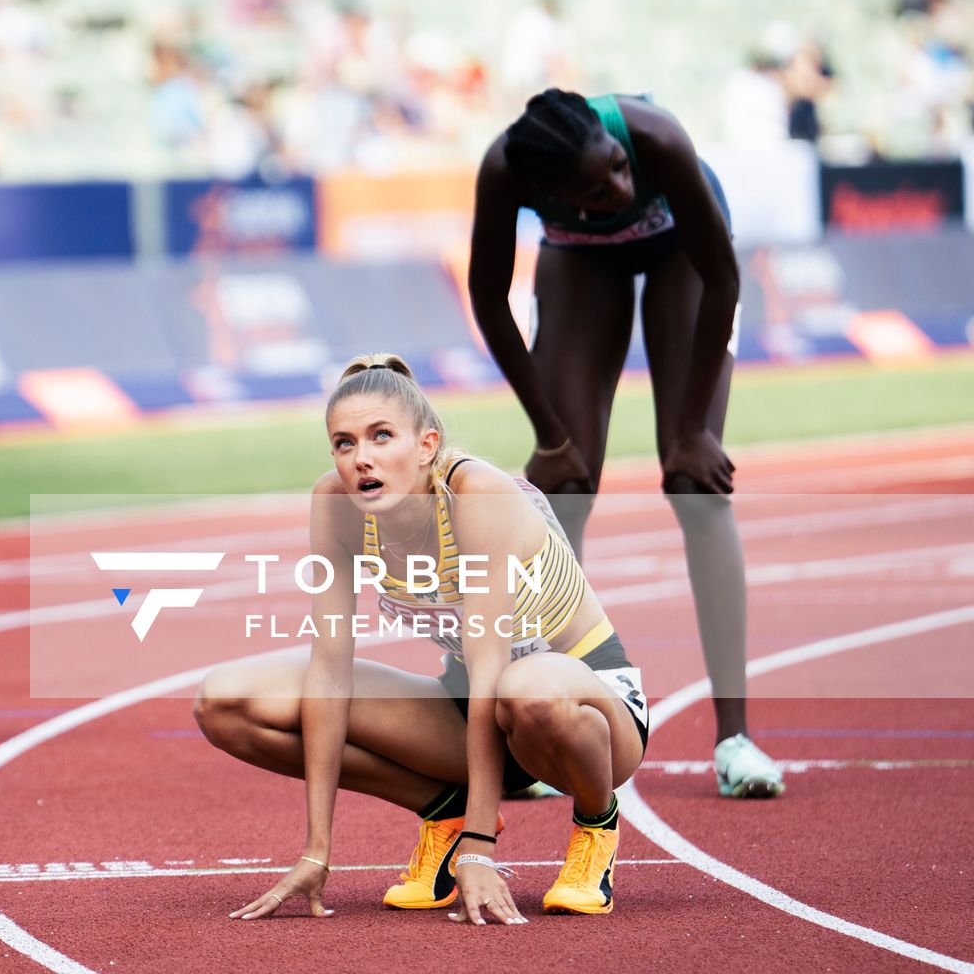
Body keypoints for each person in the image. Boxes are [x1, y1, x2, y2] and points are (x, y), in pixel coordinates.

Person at [198, 356, 650, 923]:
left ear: (426, 444)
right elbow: (330, 670)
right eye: (343, 443)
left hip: (587, 708)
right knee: (227, 701)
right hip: (473, 708)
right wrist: (318, 850)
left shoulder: (476, 494)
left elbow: (493, 674)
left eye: (381, 436)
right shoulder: (338, 505)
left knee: (528, 687)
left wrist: (483, 853)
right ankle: (447, 812)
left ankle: (595, 824)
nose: (360, 457)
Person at [466, 89, 783, 798]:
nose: (620, 186)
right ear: (550, 191)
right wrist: (550, 435)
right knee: (562, 489)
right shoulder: (505, 171)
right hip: (581, 261)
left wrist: (694, 430)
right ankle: (548, 723)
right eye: (596, 186)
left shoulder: (656, 140)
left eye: (615, 168)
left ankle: (736, 741)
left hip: (686, 256)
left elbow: (725, 278)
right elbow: (488, 300)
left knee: (697, 489)